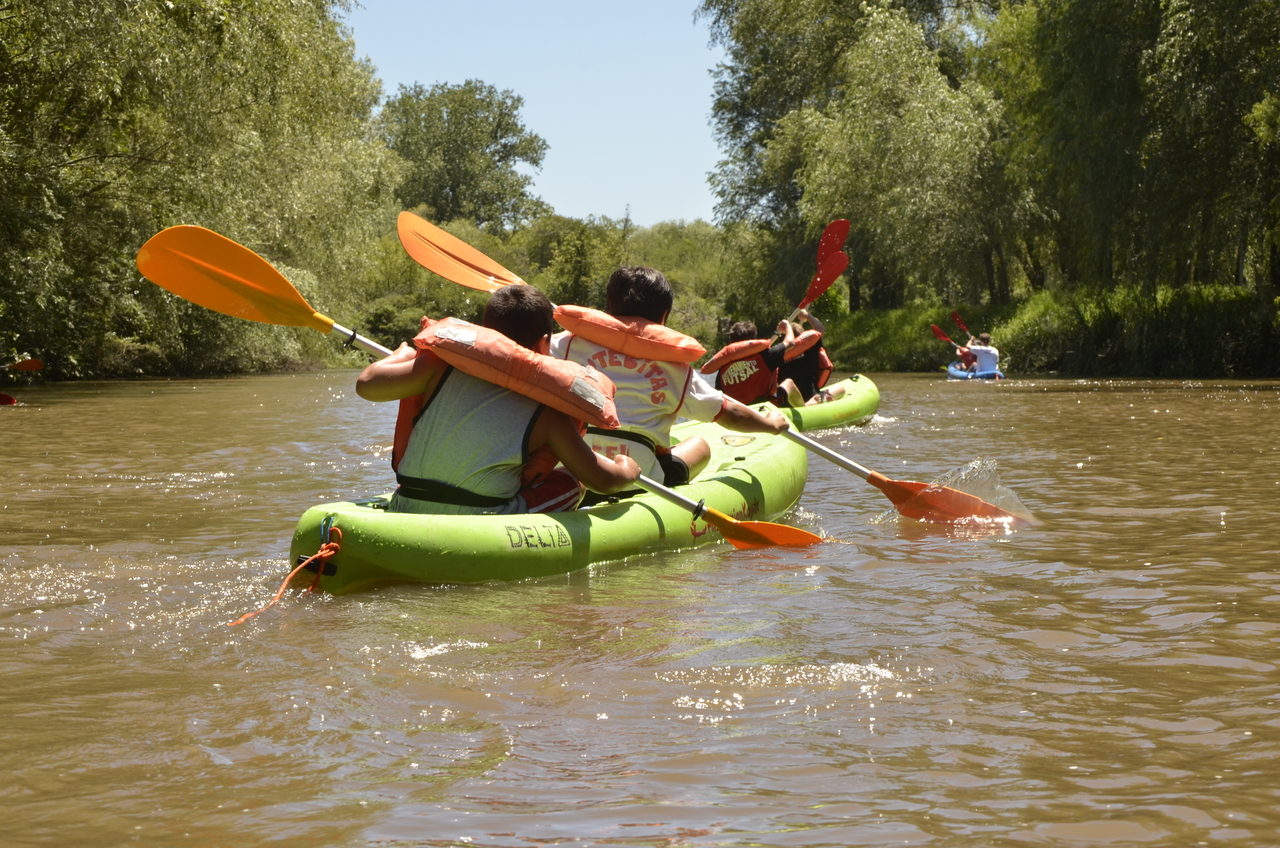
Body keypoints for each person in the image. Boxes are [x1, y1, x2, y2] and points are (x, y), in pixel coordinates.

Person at [356, 284, 640, 515]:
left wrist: (403, 355)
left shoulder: (440, 366)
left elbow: (367, 384)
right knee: (572, 480)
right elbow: (602, 481)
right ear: (544, 343)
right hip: (484, 515)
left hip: (407, 503)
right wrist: (627, 469)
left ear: (485, 333)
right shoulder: (551, 410)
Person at [551, 266, 790, 493]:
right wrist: (771, 425)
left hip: (572, 473)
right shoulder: (675, 367)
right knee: (700, 445)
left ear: (608, 307)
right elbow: (731, 413)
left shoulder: (563, 345)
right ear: (664, 316)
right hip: (640, 480)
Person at [703, 319, 801, 407]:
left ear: (731, 341)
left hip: (737, 412)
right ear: (753, 340)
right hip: (764, 407)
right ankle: (805, 408)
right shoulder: (766, 356)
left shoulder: (722, 368)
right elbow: (790, 343)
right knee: (789, 383)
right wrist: (787, 326)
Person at [776, 309, 847, 406]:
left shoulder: (777, 355)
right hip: (810, 395)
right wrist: (806, 315)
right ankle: (816, 401)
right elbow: (820, 329)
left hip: (787, 398)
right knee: (840, 388)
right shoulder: (810, 345)